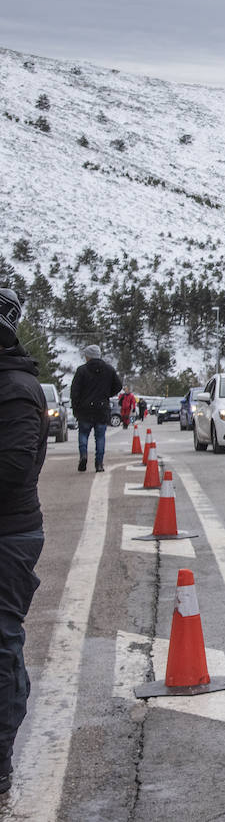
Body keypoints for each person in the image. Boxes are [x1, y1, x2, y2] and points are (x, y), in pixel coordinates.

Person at [0, 288, 46, 794]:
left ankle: (1, 757)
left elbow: (12, 468)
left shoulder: (14, 388)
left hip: (9, 534)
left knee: (1, 642)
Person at [69, 346, 122, 472]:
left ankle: (83, 455)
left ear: (88, 356)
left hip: (85, 409)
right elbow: (118, 385)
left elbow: (74, 391)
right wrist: (107, 394)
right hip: (102, 408)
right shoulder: (109, 370)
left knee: (83, 434)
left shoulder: (82, 371)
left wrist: (76, 406)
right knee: (100, 437)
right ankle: (99, 464)